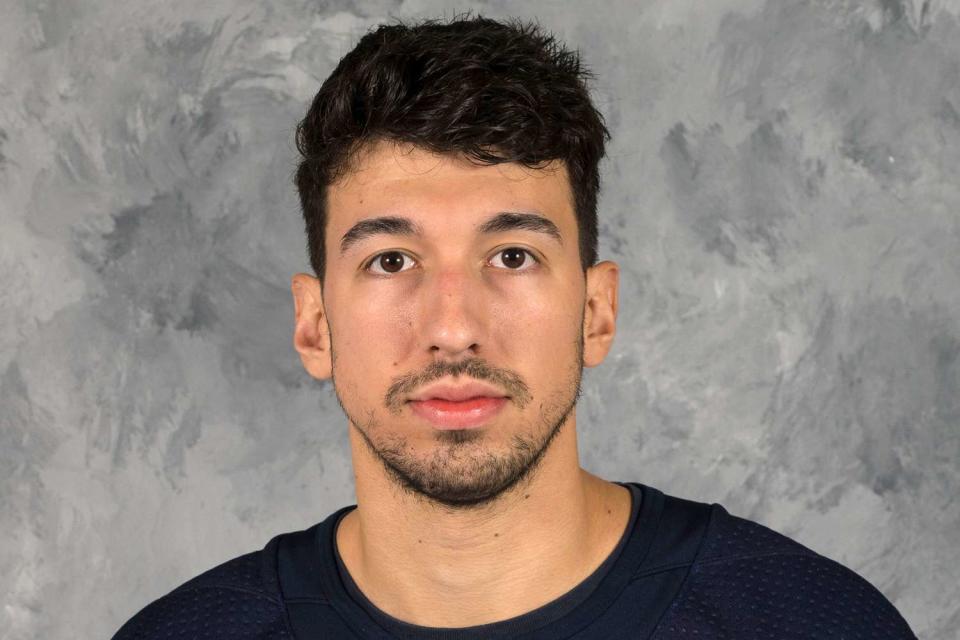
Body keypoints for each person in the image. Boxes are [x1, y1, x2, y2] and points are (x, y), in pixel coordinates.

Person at [112, 15, 917, 639]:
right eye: (392, 261)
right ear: (315, 325)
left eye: (512, 256)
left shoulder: (806, 622)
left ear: (597, 313)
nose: (454, 328)